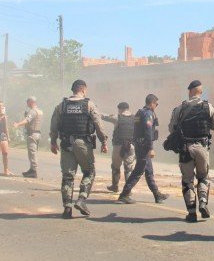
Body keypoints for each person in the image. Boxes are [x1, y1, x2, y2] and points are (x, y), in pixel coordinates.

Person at [50, 80, 107, 218]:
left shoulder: (62, 105)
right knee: (89, 172)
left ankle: (67, 208)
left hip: (66, 144)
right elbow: (98, 124)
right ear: (84, 89)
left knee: (68, 176)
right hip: (83, 143)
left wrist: (53, 141)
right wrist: (103, 141)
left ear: (73, 89)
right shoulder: (89, 104)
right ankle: (81, 199)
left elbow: (54, 125)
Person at [168, 79, 214, 222]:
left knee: (187, 181)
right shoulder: (208, 107)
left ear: (189, 91)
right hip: (202, 147)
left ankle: (191, 213)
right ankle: (202, 201)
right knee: (203, 177)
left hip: (185, 149)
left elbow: (172, 128)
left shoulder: (180, 108)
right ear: (200, 92)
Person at [117, 94, 169, 204]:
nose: (156, 106)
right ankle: (124, 194)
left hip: (139, 145)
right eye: (156, 104)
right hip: (144, 147)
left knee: (149, 171)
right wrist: (151, 148)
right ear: (152, 103)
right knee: (138, 170)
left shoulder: (139, 112)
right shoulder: (147, 114)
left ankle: (157, 195)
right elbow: (148, 132)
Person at [101, 102, 136, 193]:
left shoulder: (117, 117)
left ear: (120, 109)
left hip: (119, 146)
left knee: (116, 167)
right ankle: (128, 189)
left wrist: (95, 111)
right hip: (131, 146)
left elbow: (104, 117)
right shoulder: (135, 118)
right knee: (128, 168)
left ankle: (115, 186)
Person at [14, 97, 43, 178]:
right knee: (34, 152)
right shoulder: (40, 111)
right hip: (37, 133)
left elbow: (27, 120)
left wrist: (18, 124)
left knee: (32, 153)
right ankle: (32, 169)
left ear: (31, 102)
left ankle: (34, 171)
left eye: (28, 102)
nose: (27, 103)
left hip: (32, 134)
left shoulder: (33, 111)